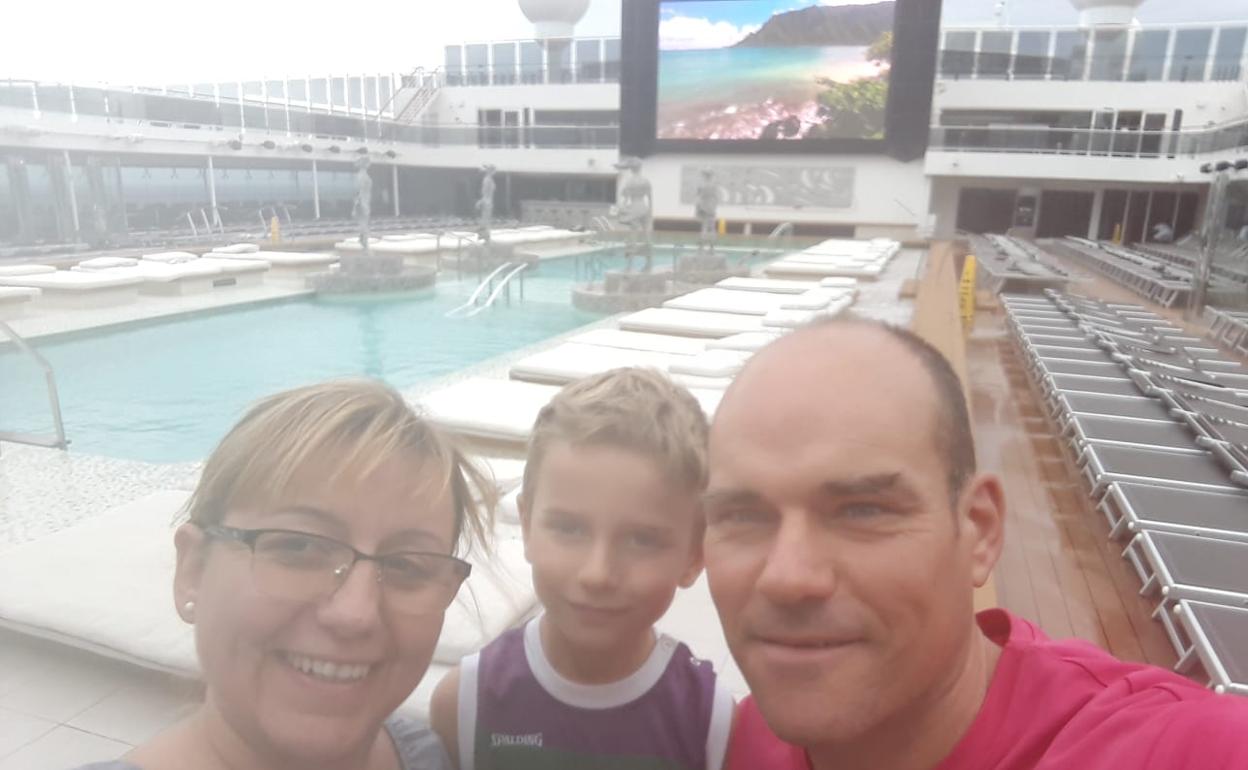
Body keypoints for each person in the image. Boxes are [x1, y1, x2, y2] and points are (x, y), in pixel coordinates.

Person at [702, 318, 1248, 770]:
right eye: (742, 516)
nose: (787, 577)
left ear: (980, 531)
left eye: (862, 511)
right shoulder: (733, 740)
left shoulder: (1184, 751)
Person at [75, 379, 493, 770]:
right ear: (194, 570)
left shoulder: (423, 754)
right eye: (298, 547)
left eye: (406, 566)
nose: (355, 614)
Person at [430, 368, 734, 770]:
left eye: (642, 540)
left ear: (695, 556)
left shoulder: (710, 722)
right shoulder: (467, 704)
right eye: (569, 528)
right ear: (525, 526)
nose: (597, 574)